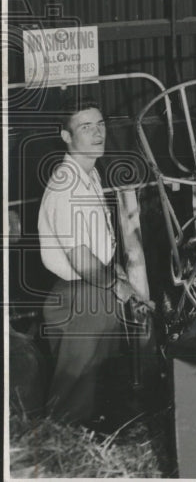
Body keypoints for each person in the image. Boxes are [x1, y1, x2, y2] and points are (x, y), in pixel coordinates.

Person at [37, 99, 150, 426]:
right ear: (66, 136)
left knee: (93, 386)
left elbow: (97, 247)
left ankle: (87, 446)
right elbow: (80, 258)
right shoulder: (66, 184)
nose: (97, 133)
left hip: (95, 290)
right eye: (85, 127)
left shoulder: (91, 174)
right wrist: (118, 285)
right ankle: (60, 461)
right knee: (71, 394)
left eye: (100, 124)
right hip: (78, 297)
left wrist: (115, 274)